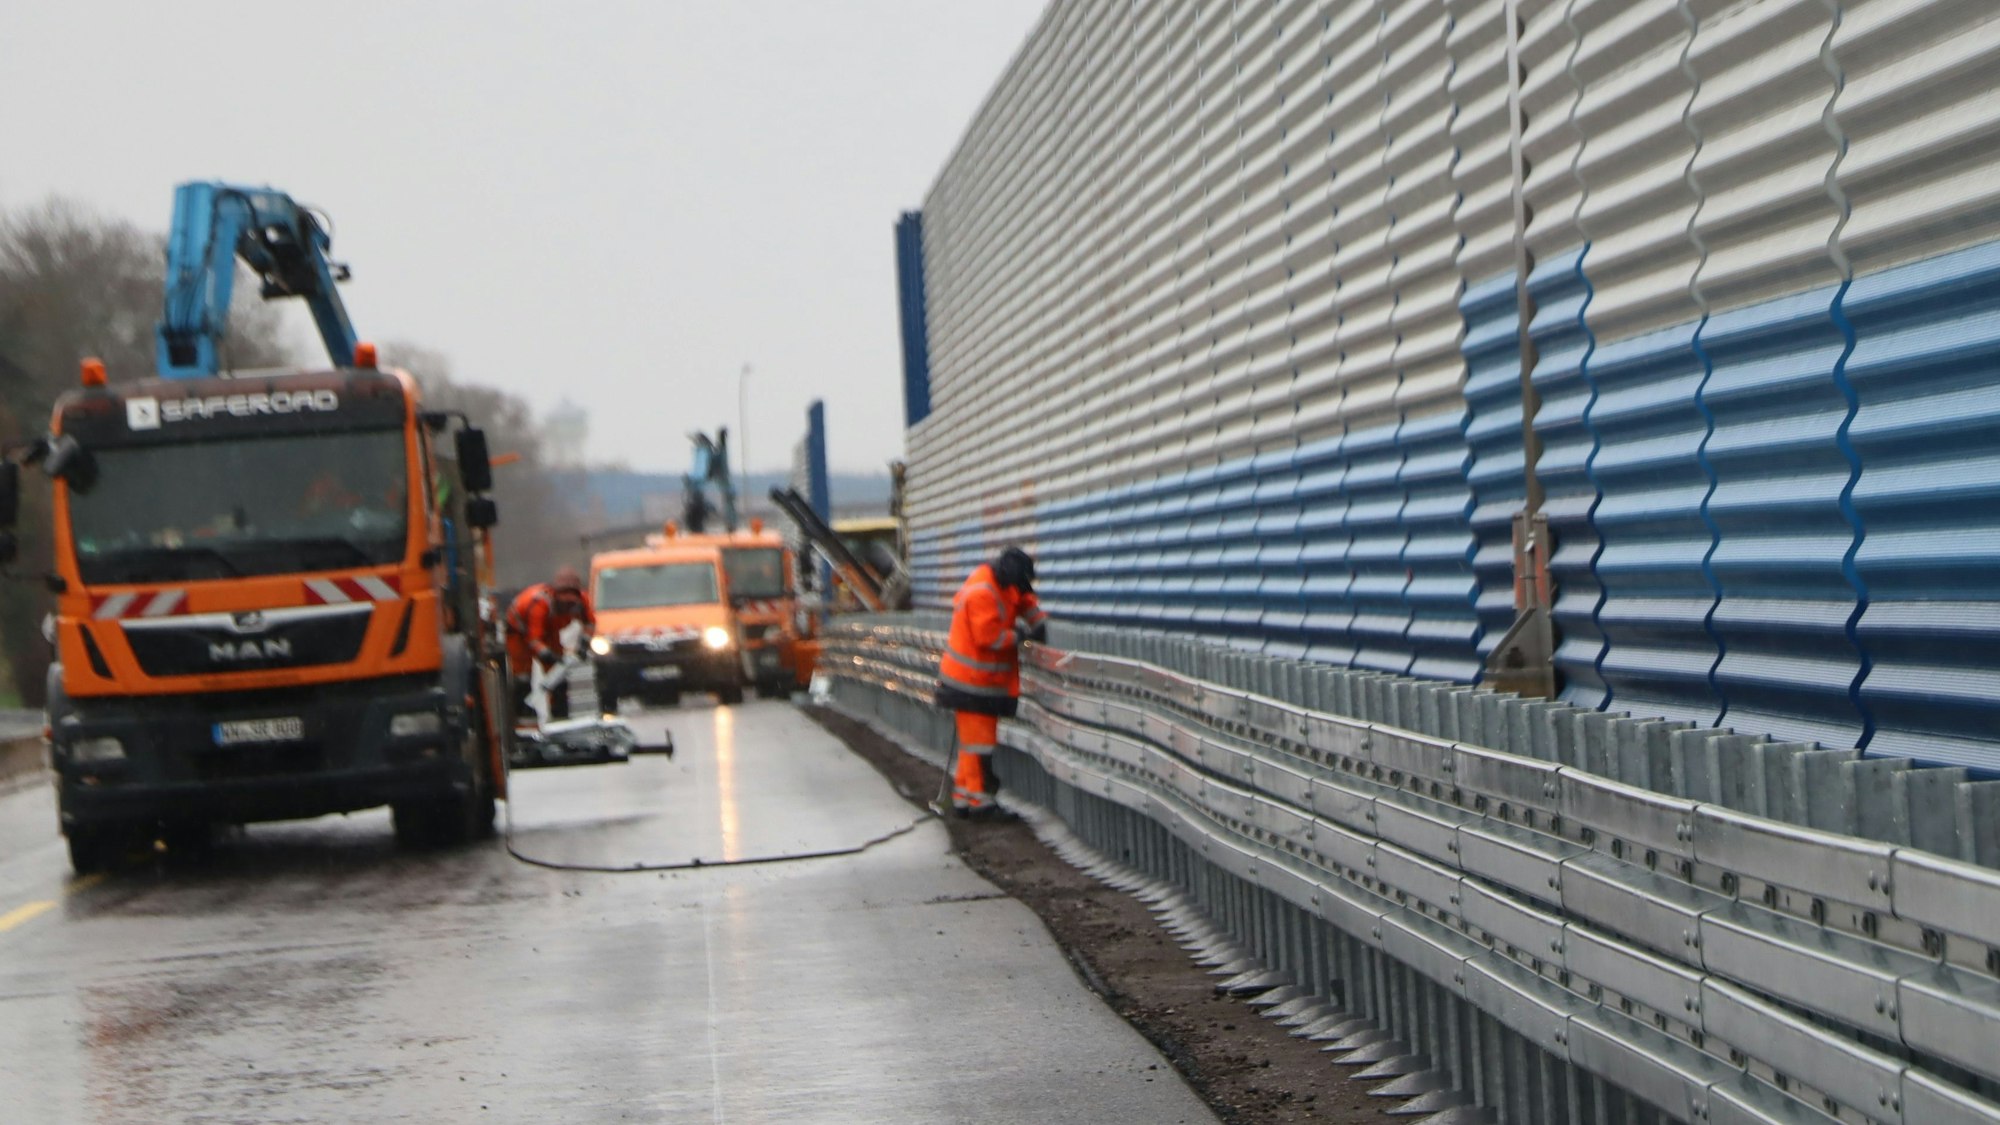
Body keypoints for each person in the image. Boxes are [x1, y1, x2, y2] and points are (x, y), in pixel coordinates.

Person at [933, 546, 1048, 816]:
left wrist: (1039, 622)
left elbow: (1023, 600)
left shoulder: (1003, 583)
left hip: (981, 683)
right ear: (1008, 574)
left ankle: (963, 798)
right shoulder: (982, 592)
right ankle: (979, 802)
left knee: (973, 743)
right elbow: (989, 637)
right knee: (978, 744)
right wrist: (1018, 635)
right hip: (969, 683)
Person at [505, 565, 596, 721]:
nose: (568, 607)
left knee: (558, 675)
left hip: (549, 631)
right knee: (522, 676)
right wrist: (546, 654)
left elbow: (590, 624)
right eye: (564, 603)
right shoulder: (540, 604)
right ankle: (523, 716)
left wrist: (584, 643)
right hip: (519, 634)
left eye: (571, 603)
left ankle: (560, 713)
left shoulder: (582, 601)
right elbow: (534, 638)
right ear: (555, 596)